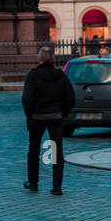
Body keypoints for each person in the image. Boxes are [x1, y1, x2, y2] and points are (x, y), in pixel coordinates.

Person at [22, 45, 76, 196]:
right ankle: (56, 186)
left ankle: (33, 183)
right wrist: (62, 113)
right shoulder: (60, 76)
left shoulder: (33, 76)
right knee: (56, 151)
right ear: (53, 58)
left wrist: (30, 115)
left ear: (39, 58)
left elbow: (27, 99)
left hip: (37, 118)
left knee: (34, 149)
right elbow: (70, 97)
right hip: (55, 118)